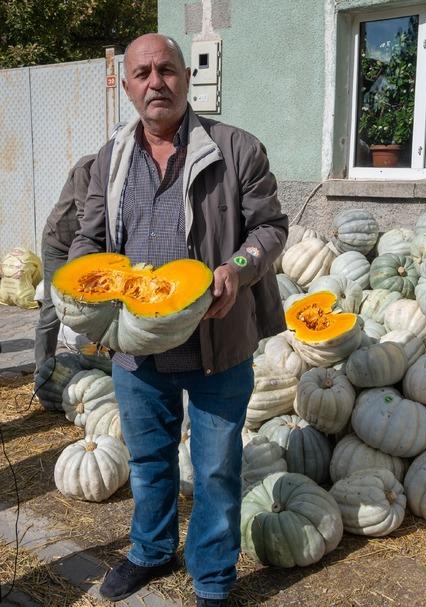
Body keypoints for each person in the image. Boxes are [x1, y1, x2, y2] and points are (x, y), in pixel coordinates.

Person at [69, 33, 288, 606]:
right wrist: (77, 288)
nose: (155, 82)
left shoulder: (236, 148)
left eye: (166, 70)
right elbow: (89, 238)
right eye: (141, 73)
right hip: (134, 347)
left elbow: (270, 229)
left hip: (217, 342)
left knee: (216, 469)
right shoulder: (111, 156)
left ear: (186, 78)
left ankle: (213, 579)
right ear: (126, 86)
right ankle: (150, 550)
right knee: (146, 460)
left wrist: (239, 267)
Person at [34, 153, 96, 372]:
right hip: (59, 244)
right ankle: (42, 371)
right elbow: (86, 215)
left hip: (86, 245)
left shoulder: (123, 171)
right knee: (53, 307)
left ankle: (97, 361)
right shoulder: (86, 168)